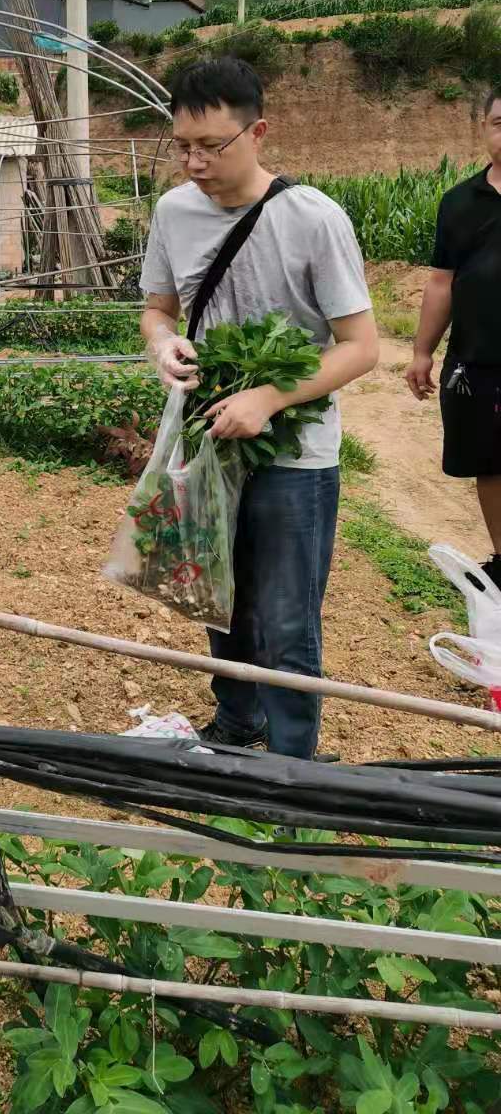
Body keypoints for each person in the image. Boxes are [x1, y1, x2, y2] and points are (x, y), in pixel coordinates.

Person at [139, 56, 379, 759]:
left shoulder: (314, 219)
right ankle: (237, 724)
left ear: (258, 133)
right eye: (182, 146)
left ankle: (292, 766)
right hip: (211, 436)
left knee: (286, 617)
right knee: (220, 595)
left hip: (295, 454)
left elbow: (361, 347)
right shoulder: (173, 212)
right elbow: (158, 308)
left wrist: (270, 397)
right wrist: (164, 345)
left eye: (212, 146)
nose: (195, 163)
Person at [406, 87, 501, 590]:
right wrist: (422, 351)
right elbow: (441, 282)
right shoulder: (460, 202)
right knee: (490, 462)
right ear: (484, 128)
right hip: (479, 358)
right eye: (500, 123)